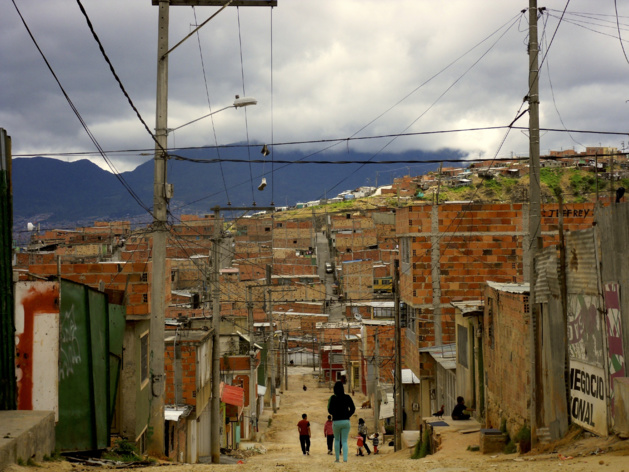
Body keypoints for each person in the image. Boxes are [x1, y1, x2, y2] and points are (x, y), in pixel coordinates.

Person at [327, 380, 356, 463]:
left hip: (336, 421)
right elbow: (353, 408)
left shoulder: (332, 398)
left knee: (336, 440)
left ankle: (337, 459)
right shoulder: (347, 397)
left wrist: (334, 414)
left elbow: (329, 410)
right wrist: (347, 415)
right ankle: (345, 459)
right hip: (346, 421)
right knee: (344, 441)